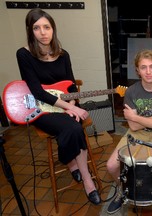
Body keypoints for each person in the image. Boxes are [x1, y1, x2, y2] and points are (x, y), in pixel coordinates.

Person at [16, 8, 101, 205]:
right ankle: (81, 173)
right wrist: (69, 108)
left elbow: (71, 84)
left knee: (74, 127)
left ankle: (77, 168)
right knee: (73, 127)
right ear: (30, 31)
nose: (43, 32)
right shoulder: (24, 55)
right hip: (43, 107)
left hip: (65, 102)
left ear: (53, 29)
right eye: (37, 28)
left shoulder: (63, 54)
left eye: (47, 27)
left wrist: (71, 104)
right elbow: (37, 91)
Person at [106, 49, 152, 215]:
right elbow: (133, 127)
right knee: (111, 165)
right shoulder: (131, 92)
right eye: (143, 67)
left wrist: (136, 116)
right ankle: (122, 191)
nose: (148, 71)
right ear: (137, 70)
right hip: (136, 135)